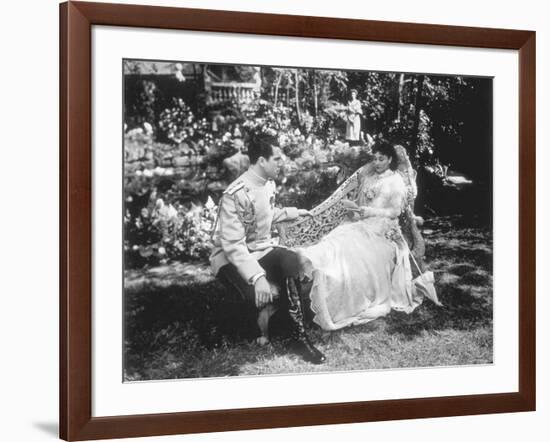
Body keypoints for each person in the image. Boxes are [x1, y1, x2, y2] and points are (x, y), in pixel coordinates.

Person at [210, 132, 326, 364]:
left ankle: (298, 337)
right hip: (230, 256)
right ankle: (259, 323)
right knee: (257, 295)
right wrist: (257, 276)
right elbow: (232, 245)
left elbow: (265, 215)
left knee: (292, 260)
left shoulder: (268, 184)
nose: (281, 163)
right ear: (261, 161)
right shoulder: (235, 193)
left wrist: (293, 212)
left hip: (260, 249)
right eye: (277, 159)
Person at [296, 140, 437, 330]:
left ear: (389, 160)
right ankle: (313, 261)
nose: (377, 163)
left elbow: (394, 212)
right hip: (364, 224)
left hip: (383, 230)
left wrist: (369, 212)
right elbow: (361, 206)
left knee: (353, 246)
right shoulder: (370, 178)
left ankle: (324, 273)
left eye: (381, 159)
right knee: (340, 236)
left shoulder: (395, 181)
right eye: (375, 159)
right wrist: (357, 211)